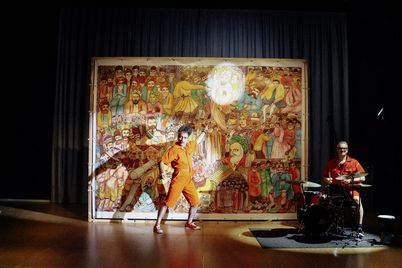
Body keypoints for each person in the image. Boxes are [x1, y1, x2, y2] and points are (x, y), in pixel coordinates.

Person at [153, 124, 207, 234]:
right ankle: (157, 225)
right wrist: (162, 173)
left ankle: (189, 223)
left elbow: (197, 141)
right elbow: (162, 162)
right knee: (168, 203)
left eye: (185, 137)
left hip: (188, 180)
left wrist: (204, 132)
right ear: (178, 137)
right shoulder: (174, 149)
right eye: (180, 137)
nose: (182, 139)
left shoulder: (188, 146)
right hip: (178, 179)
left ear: (188, 138)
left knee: (195, 202)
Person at [322, 141, 366, 237]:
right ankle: (327, 225)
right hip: (335, 189)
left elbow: (363, 177)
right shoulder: (331, 163)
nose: (342, 150)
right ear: (337, 150)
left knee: (357, 200)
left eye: (344, 148)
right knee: (324, 199)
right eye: (340, 148)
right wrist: (327, 180)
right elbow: (324, 177)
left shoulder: (354, 162)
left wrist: (352, 180)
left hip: (350, 189)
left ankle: (359, 226)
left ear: (347, 150)